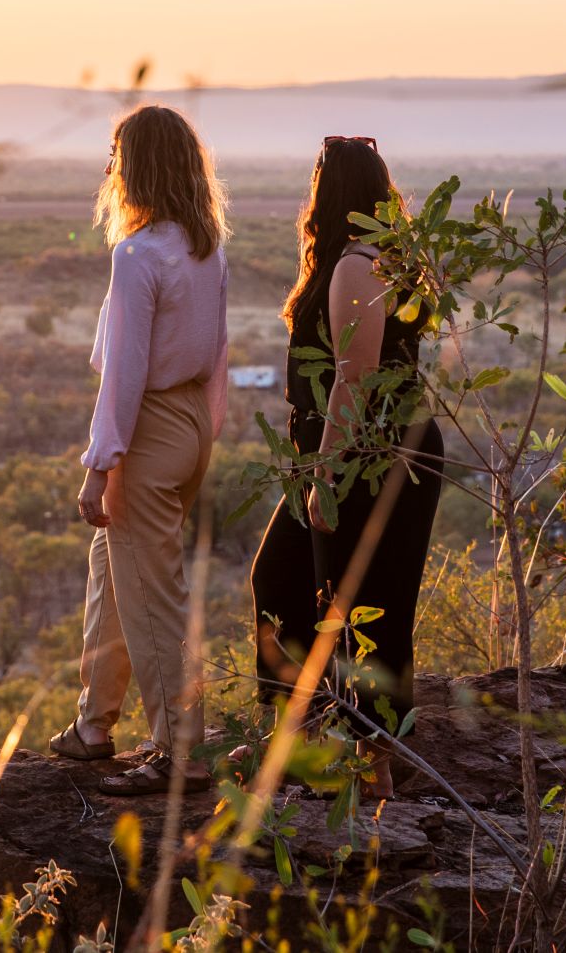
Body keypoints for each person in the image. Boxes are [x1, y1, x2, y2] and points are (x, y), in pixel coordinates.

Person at [248, 135, 444, 800]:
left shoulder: (357, 265)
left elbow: (354, 378)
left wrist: (326, 474)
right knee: (283, 579)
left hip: (363, 461)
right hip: (357, 456)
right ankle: (301, 737)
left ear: (327, 193)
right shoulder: (370, 258)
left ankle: (369, 766)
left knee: (365, 606)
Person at [47, 105, 231, 796]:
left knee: (152, 594)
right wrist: (202, 430)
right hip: (186, 423)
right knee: (113, 570)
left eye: (116, 155)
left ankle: (180, 748)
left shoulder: (138, 254)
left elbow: (123, 374)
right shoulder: (205, 244)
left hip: (149, 427)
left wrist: (100, 465)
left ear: (137, 166)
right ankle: (94, 724)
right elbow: (215, 352)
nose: (109, 169)